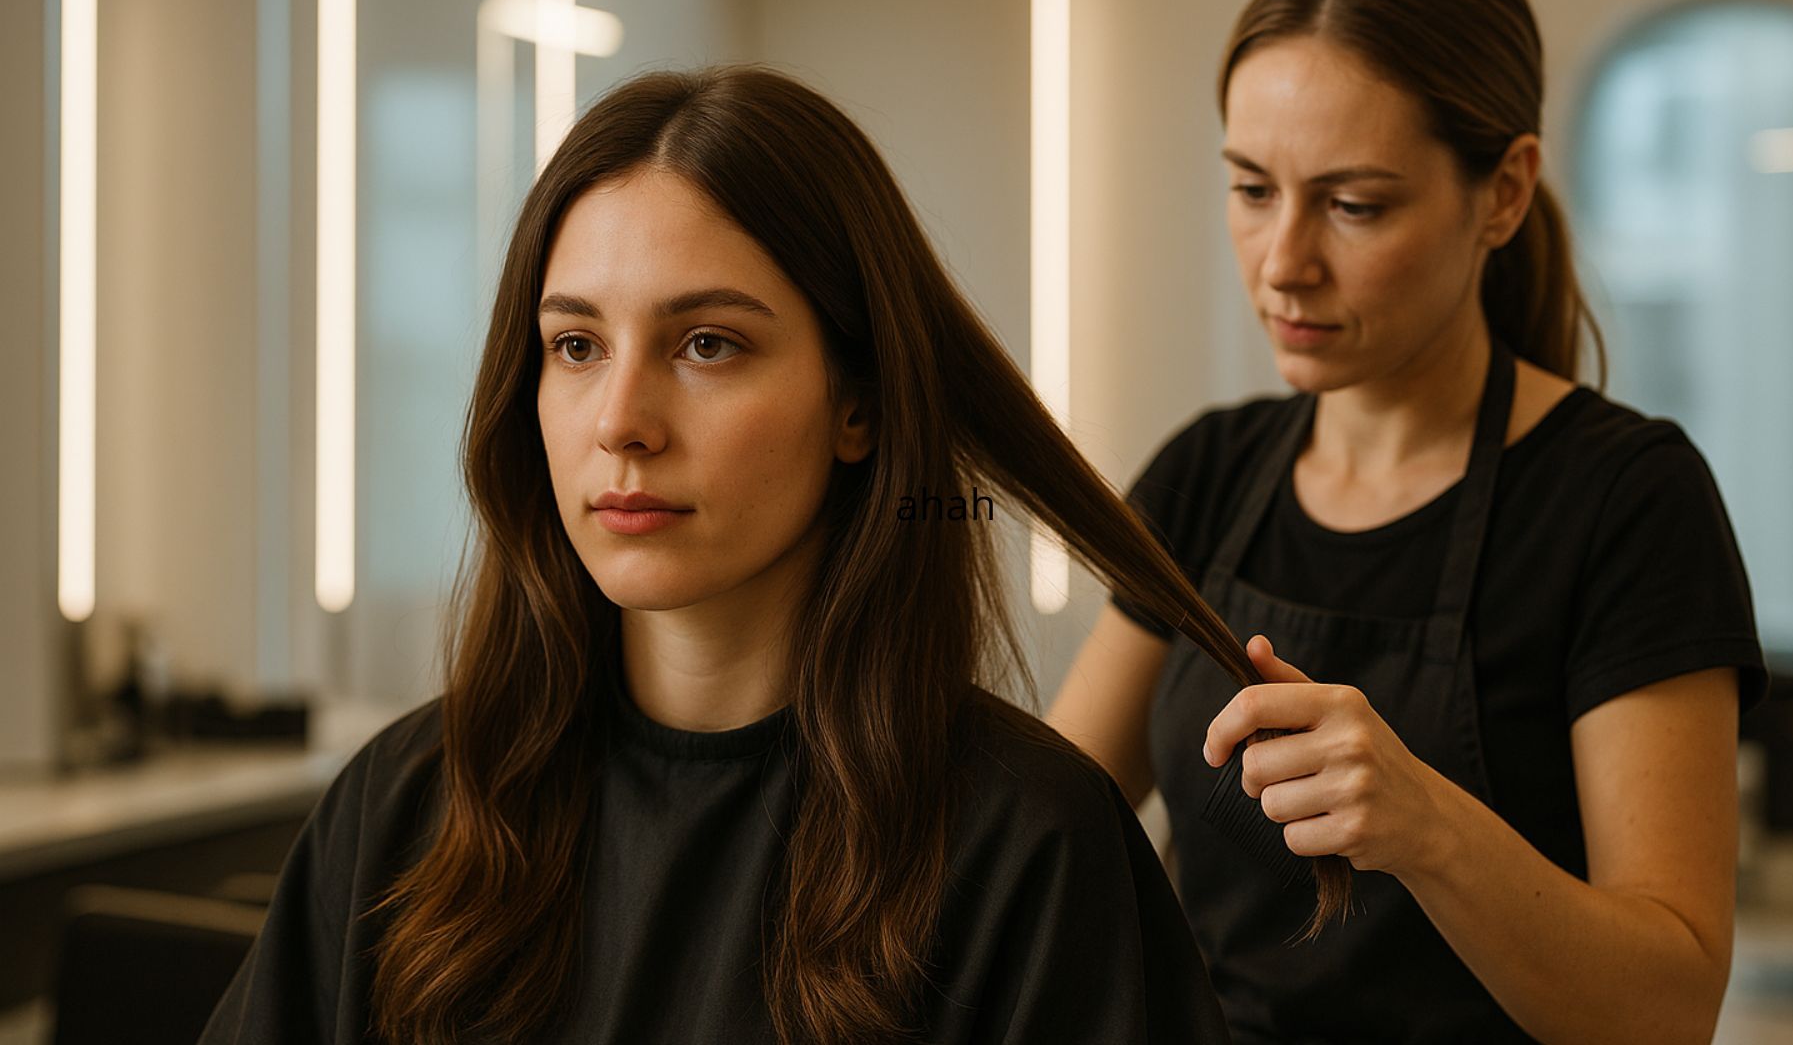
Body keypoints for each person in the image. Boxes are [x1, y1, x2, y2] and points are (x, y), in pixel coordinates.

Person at [199, 66, 1258, 1045]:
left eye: (708, 344)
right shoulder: (404, 808)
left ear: (860, 404)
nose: (621, 421)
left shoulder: (1028, 847)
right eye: (576, 346)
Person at [1046, 0, 1769, 1042]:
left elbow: (1666, 1011)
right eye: (1252, 190)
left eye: (1353, 206)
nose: (1284, 264)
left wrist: (1426, 824)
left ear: (1505, 193)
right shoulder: (1207, 473)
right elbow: (1047, 825)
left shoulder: (1625, 502)